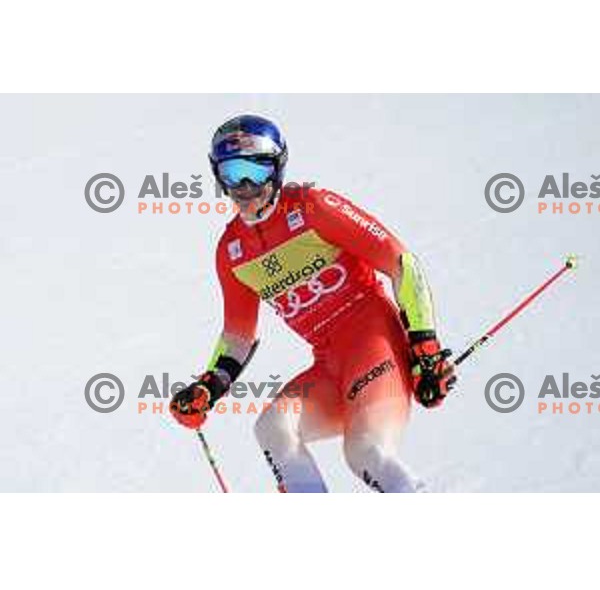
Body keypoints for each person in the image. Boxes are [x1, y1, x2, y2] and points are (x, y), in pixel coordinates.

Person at [169, 114, 456, 492]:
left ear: (277, 169)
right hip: (329, 365)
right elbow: (238, 334)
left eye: (255, 171)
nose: (243, 186)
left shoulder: (312, 207)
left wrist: (425, 348)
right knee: (273, 427)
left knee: (364, 451)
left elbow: (401, 263)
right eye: (232, 171)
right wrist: (210, 386)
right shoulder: (231, 251)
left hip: (375, 346)